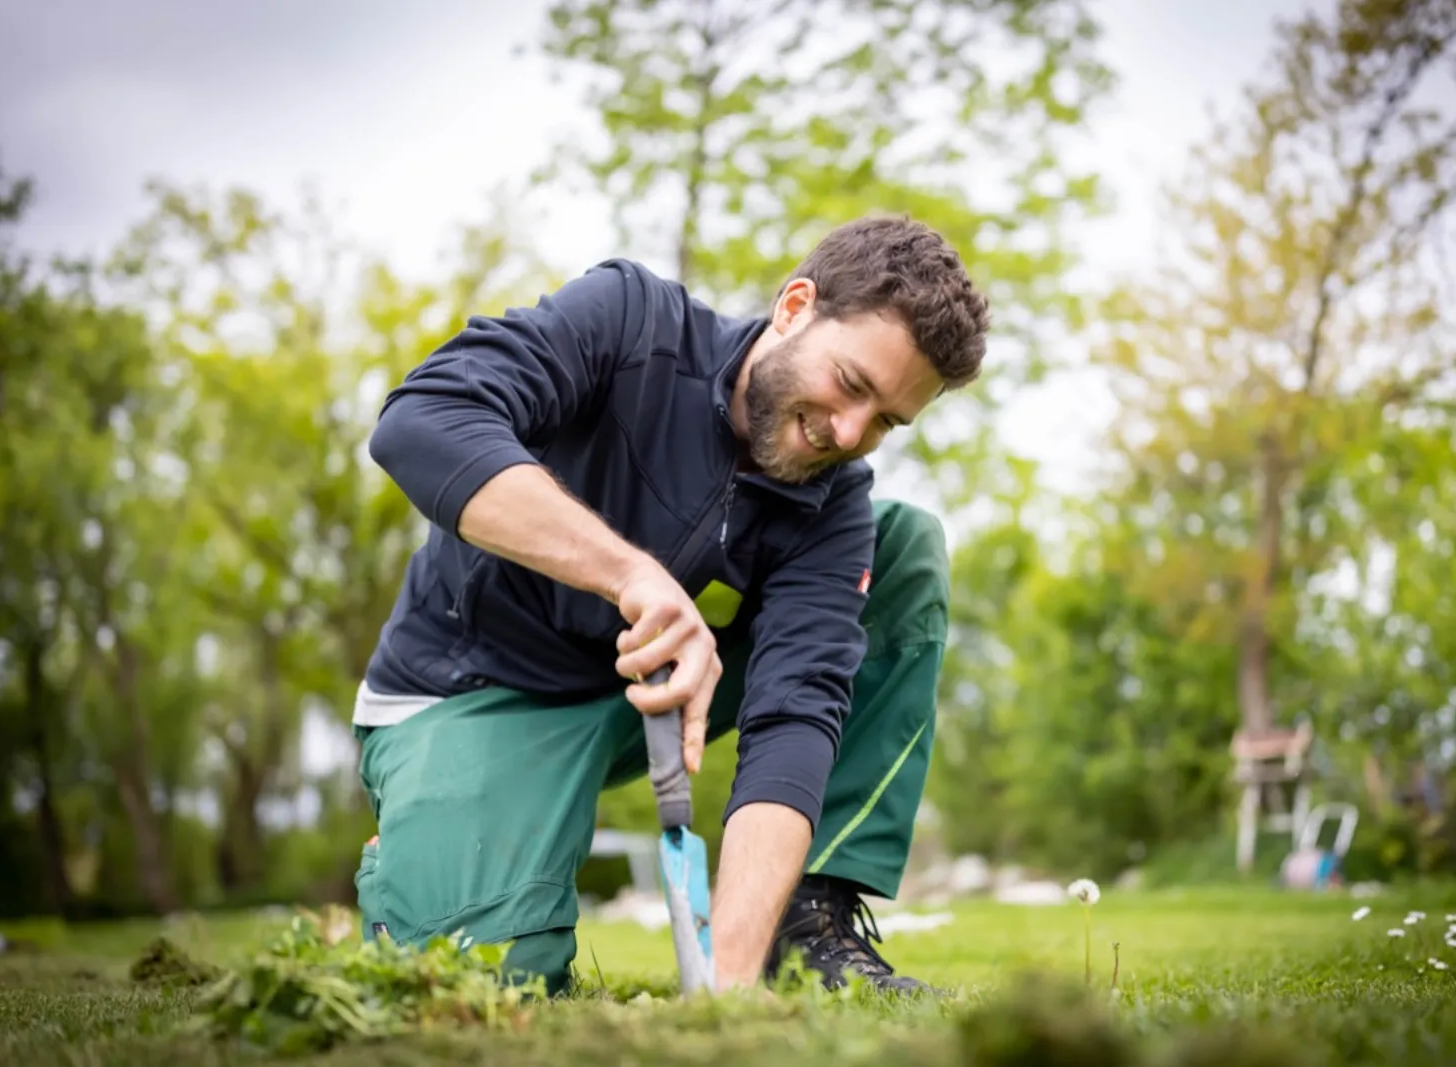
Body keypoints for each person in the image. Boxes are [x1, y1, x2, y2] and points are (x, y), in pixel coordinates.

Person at [350, 214, 990, 997]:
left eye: (887, 420)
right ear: (794, 308)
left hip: (659, 698)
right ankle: (422, 839)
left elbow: (795, 718)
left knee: (905, 544)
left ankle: (805, 921)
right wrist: (632, 575)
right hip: (476, 685)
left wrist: (727, 981)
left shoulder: (833, 504)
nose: (850, 431)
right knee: (483, 981)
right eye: (852, 384)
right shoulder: (629, 323)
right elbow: (422, 423)